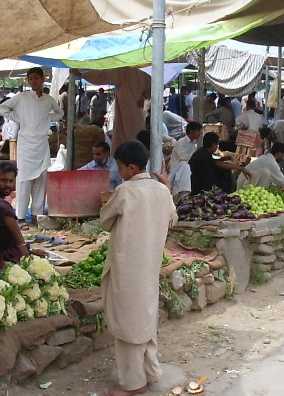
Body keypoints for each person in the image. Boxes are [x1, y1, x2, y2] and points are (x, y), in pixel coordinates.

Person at [100, 141, 177, 396]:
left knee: (127, 322)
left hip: (127, 267)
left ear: (131, 168)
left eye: (120, 167)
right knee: (146, 316)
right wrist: (166, 187)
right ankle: (151, 370)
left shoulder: (125, 191)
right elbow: (172, 218)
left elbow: (104, 220)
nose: (119, 171)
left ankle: (134, 383)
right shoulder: (162, 191)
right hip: (150, 265)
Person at [0, 67, 63, 224]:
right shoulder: (21, 97)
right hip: (26, 145)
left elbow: (59, 113)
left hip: (41, 144)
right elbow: (2, 108)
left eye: (36, 78)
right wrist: (18, 118)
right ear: (28, 81)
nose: (34, 81)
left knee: (41, 180)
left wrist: (47, 119)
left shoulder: (48, 100)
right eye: (31, 78)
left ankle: (37, 215)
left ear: (43, 79)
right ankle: (20, 216)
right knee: (23, 180)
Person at [75, 68, 151, 152]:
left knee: (126, 147)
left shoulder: (125, 70)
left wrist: (82, 74)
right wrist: (144, 96)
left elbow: (102, 76)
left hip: (125, 117)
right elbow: (156, 87)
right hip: (137, 118)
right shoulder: (145, 72)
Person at [168, 122, 202, 202]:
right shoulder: (181, 142)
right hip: (176, 171)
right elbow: (183, 157)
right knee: (184, 166)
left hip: (186, 170)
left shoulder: (193, 144)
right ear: (191, 131)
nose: (199, 133)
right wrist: (197, 156)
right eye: (198, 131)